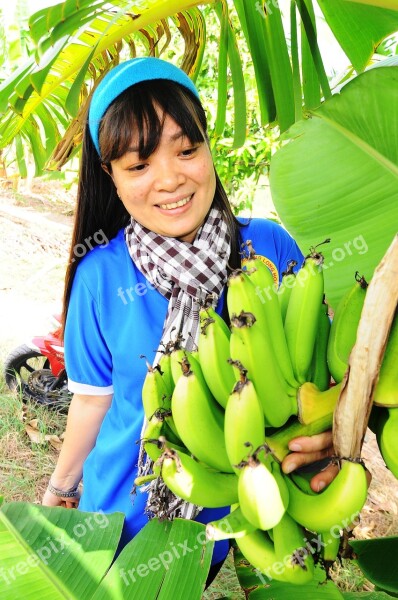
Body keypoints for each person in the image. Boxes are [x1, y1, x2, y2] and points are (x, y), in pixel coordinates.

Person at [42, 57, 337, 577]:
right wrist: (62, 487)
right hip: (115, 512)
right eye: (138, 165)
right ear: (110, 177)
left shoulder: (268, 248)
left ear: (208, 147)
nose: (171, 179)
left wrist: (331, 427)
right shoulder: (100, 276)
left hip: (216, 512)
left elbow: (315, 368)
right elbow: (92, 403)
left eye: (186, 149)